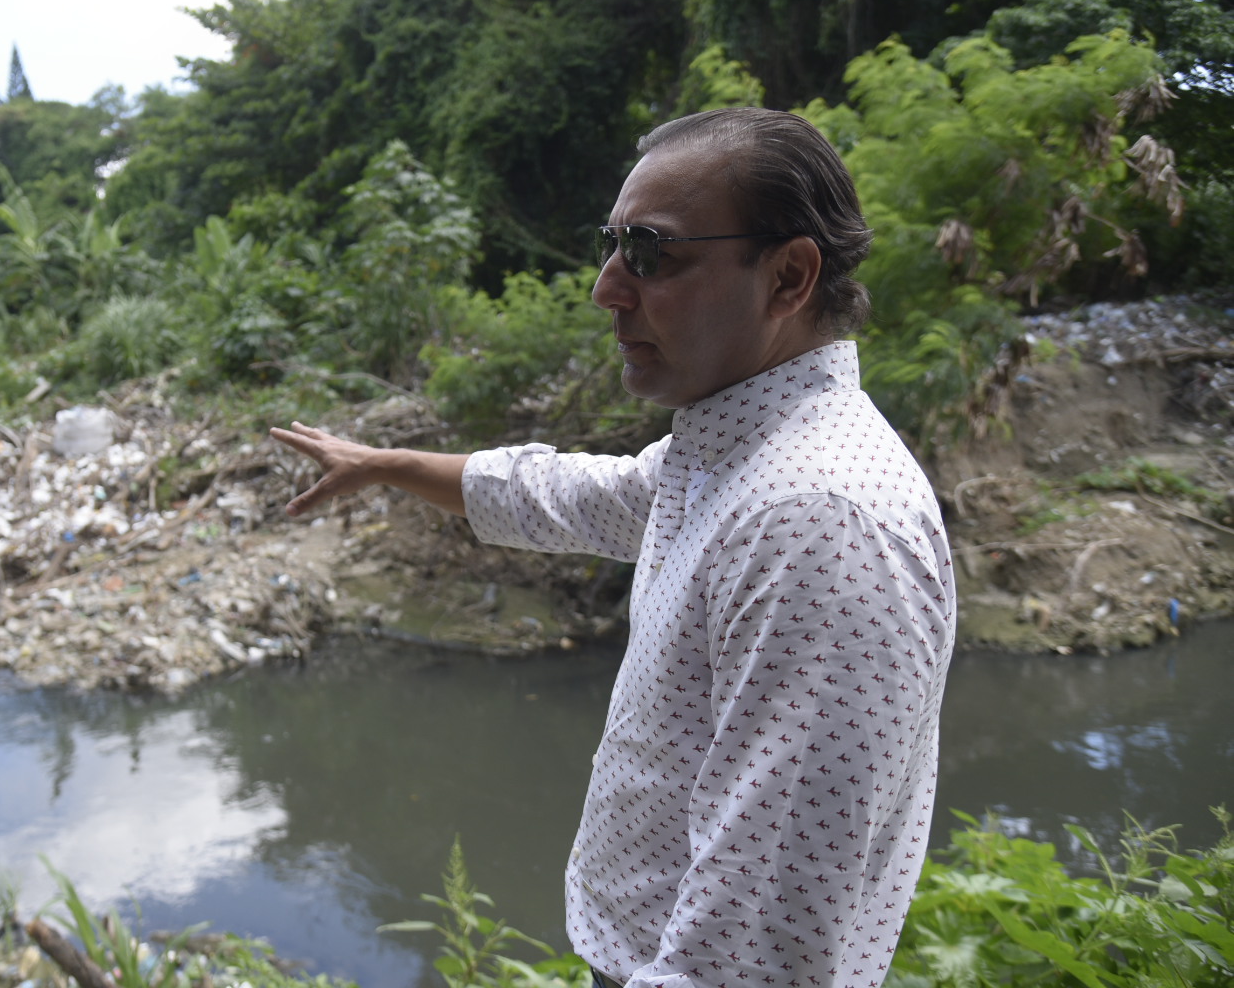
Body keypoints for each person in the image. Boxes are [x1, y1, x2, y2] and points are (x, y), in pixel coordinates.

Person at [270, 108, 955, 988]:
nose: (606, 288)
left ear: (788, 276)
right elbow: (572, 496)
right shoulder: (736, 451)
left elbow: (757, 955)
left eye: (651, 253)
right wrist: (387, 465)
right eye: (613, 246)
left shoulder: (816, 521)